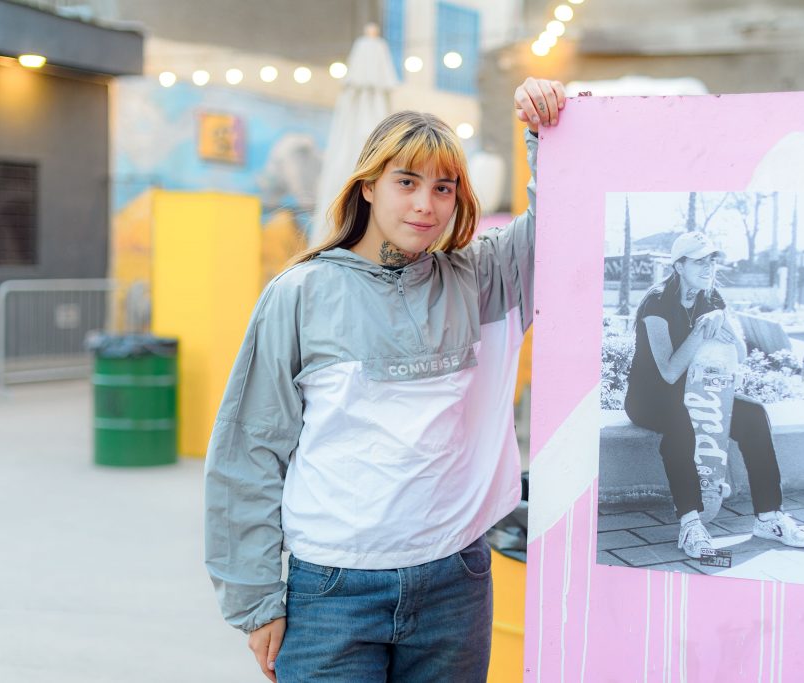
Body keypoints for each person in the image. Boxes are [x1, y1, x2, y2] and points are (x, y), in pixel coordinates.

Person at [204, 77, 565, 682]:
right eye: (407, 182)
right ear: (368, 186)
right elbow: (249, 448)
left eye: (443, 188)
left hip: (456, 580)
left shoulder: (477, 278)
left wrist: (544, 132)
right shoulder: (301, 292)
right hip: (332, 591)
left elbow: (559, 223)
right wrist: (255, 598)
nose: (426, 204)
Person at [623, 231, 804, 559]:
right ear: (679, 266)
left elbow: (740, 354)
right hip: (649, 396)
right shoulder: (657, 303)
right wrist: (701, 329)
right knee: (681, 424)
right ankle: (691, 524)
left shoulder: (711, 298)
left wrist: (721, 321)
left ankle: (768, 517)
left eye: (711, 260)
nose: (709, 267)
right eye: (699, 261)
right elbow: (669, 371)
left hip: (696, 393)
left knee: (754, 416)